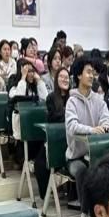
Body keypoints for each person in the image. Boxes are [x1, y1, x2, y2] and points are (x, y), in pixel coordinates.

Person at [65, 57, 109, 209]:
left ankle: (107, 209)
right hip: (77, 157)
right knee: (83, 172)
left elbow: (107, 120)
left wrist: (106, 126)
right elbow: (72, 126)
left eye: (93, 72)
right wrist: (91, 130)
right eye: (88, 72)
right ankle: (86, 213)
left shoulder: (98, 100)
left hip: (96, 154)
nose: (92, 76)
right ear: (79, 75)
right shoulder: (72, 101)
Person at [36, 67, 71, 198]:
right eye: (61, 77)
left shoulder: (73, 97)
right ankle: (46, 194)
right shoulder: (51, 97)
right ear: (56, 80)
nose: (64, 79)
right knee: (40, 163)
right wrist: (68, 113)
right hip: (55, 138)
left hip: (71, 138)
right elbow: (53, 117)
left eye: (67, 77)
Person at [9, 59, 48, 165]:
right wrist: (23, 77)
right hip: (22, 126)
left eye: (32, 71)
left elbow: (46, 98)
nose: (31, 74)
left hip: (36, 124)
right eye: (27, 71)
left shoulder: (35, 87)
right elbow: (19, 98)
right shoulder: (14, 88)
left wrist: (39, 81)